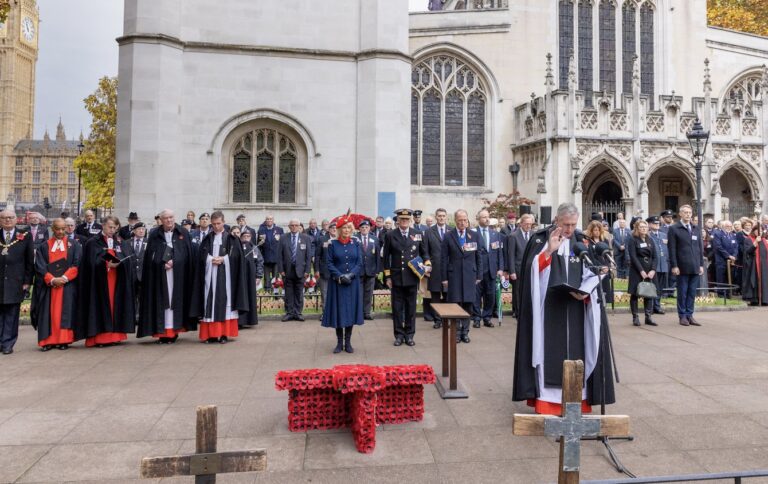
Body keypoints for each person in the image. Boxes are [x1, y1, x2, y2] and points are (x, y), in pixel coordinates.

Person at [513, 202, 614, 415]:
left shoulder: (582, 242)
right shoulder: (540, 239)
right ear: (557, 220)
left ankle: (579, 402)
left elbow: (592, 272)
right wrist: (549, 251)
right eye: (566, 224)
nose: (569, 229)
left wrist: (588, 289)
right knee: (549, 356)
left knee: (579, 353)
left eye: (573, 224)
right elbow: (532, 273)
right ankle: (547, 404)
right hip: (548, 309)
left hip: (577, 309)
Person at [138, 209, 196, 343]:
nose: (169, 220)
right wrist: (161, 264)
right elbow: (150, 256)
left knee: (175, 301)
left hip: (178, 276)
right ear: (161, 220)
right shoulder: (155, 234)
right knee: (162, 301)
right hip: (160, 276)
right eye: (166, 218)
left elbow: (187, 254)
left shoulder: (183, 232)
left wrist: (175, 262)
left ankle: (174, 331)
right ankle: (162, 331)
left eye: (171, 217)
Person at [77, 215, 135, 347]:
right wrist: (104, 264)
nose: (112, 230)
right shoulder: (93, 242)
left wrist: (121, 263)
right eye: (110, 227)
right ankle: (101, 337)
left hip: (116, 279)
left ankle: (116, 335)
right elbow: (89, 262)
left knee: (115, 305)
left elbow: (128, 258)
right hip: (99, 281)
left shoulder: (120, 241)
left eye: (115, 227)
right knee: (101, 306)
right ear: (103, 226)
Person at [192, 211, 248, 344]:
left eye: (219, 223)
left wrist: (224, 259)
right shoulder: (207, 239)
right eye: (214, 224)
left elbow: (237, 257)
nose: (216, 226)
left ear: (223, 222)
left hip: (227, 278)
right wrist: (210, 259)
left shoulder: (232, 239)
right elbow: (201, 255)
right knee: (209, 303)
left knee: (226, 304)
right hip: (210, 277)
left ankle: (224, 334)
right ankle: (211, 335)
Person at [30, 218, 80, 352]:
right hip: (48, 287)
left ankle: (63, 340)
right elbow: (40, 266)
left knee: (65, 314)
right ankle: (47, 341)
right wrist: (52, 279)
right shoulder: (44, 246)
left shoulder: (74, 245)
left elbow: (77, 264)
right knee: (47, 313)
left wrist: (64, 278)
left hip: (66, 286)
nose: (61, 231)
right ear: (52, 229)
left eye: (63, 229)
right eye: (58, 229)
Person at [382, 209, 430, 346]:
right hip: (396, 277)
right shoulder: (391, 235)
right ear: (397, 221)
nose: (404, 222)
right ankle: (398, 335)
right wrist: (387, 276)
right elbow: (386, 258)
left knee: (411, 308)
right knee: (397, 308)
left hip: (412, 276)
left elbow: (424, 253)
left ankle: (409, 335)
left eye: (406, 220)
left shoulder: (418, 234)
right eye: (401, 220)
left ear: (410, 220)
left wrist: (427, 264)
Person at [322, 218, 364, 353]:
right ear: (339, 230)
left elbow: (359, 262)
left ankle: (348, 342)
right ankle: (339, 343)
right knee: (338, 312)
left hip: (352, 282)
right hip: (338, 283)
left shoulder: (356, 243)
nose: (346, 230)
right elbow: (329, 263)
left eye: (349, 228)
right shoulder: (332, 244)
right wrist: (340, 276)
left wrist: (351, 275)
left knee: (351, 311)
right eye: (344, 228)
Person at [440, 209, 482, 343]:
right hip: (454, 275)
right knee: (456, 303)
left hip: (470, 274)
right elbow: (443, 258)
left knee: (469, 303)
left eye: (465, 220)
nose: (462, 223)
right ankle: (456, 332)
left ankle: (465, 331)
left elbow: (479, 256)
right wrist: (444, 277)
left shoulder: (474, 235)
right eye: (460, 220)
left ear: (467, 220)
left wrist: (479, 274)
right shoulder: (448, 236)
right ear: (455, 221)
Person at [0, 210, 34, 355]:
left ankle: (7, 343)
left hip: (16, 281)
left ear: (16, 219)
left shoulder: (25, 236)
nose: (7, 220)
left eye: (10, 217)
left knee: (12, 314)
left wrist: (27, 281)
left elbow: (29, 261)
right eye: (4, 218)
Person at [667, 205, 705, 326]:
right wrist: (674, 265)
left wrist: (701, 264)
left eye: (690, 212)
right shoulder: (674, 229)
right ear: (680, 214)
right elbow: (671, 248)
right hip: (682, 266)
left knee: (692, 292)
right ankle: (682, 315)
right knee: (682, 292)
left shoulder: (696, 228)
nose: (688, 214)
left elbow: (700, 248)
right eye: (685, 212)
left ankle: (690, 315)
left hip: (694, 266)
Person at [474, 209, 503, 329]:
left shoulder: (495, 234)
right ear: (478, 219)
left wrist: (501, 268)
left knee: (490, 295)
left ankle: (487, 317)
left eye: (488, 217)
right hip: (477, 271)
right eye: (484, 217)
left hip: (492, 270)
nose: (487, 219)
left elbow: (499, 253)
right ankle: (476, 318)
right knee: (476, 296)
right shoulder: (473, 233)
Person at [277, 219, 312, 321]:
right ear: (289, 226)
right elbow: (279, 255)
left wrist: (307, 270)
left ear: (299, 226)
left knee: (299, 292)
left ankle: (298, 313)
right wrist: (281, 269)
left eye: (296, 225)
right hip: (287, 270)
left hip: (300, 270)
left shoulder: (305, 238)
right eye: (292, 225)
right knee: (288, 293)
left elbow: (308, 256)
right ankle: (289, 312)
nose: (294, 227)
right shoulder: (283, 238)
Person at [627, 220, 657, 326]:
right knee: (635, 293)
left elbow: (655, 256)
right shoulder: (632, 239)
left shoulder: (650, 240)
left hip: (650, 270)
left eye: (645, 227)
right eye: (641, 227)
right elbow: (633, 257)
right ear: (637, 228)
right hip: (637, 270)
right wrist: (641, 271)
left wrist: (653, 270)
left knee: (649, 293)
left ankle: (648, 316)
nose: (644, 228)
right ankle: (635, 317)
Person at [424, 208, 448, 328]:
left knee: (448, 295)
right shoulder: (429, 232)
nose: (441, 218)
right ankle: (437, 320)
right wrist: (427, 264)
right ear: (436, 217)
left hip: (449, 269)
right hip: (434, 268)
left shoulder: (451, 230)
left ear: (446, 217)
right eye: (439, 216)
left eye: (443, 216)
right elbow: (425, 251)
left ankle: (447, 319)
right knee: (435, 296)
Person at [506, 213, 534, 319]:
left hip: (530, 268)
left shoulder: (533, 234)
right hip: (518, 268)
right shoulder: (513, 236)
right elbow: (511, 255)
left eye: (530, 224)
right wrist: (511, 271)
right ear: (521, 223)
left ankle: (527, 310)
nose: (528, 226)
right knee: (517, 292)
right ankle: (518, 312)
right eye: (526, 224)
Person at [121, 222, 147, 321]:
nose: (141, 231)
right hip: (131, 275)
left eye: (143, 229)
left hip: (143, 275)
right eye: (139, 229)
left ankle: (140, 315)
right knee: (131, 296)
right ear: (134, 231)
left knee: (142, 297)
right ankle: (131, 316)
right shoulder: (127, 242)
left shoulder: (148, 242)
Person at [584, 220, 613, 305]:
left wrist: (607, 266)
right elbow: (590, 257)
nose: (597, 232)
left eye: (599, 230)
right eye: (595, 230)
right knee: (597, 292)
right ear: (591, 231)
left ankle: (604, 307)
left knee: (605, 291)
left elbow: (608, 255)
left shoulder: (605, 241)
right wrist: (600, 267)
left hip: (605, 269)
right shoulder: (588, 242)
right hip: (595, 269)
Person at [238, 230, 263, 328]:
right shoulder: (238, 247)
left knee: (250, 298)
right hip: (239, 279)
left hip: (250, 278)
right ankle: (239, 321)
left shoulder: (254, 248)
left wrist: (258, 276)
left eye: (248, 236)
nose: (246, 237)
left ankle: (250, 320)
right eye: (244, 236)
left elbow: (260, 262)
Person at [357, 219, 379, 320]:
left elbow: (377, 256)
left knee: (369, 292)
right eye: (362, 227)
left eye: (366, 227)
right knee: (359, 292)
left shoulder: (374, 239)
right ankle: (359, 312)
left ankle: (367, 312)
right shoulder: (355, 239)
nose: (364, 229)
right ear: (359, 229)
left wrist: (377, 270)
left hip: (371, 270)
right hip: (358, 271)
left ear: (369, 228)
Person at [742, 223, 768, 305]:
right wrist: (755, 242)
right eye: (757, 230)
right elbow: (747, 251)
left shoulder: (764, 240)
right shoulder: (749, 239)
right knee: (755, 281)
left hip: (764, 264)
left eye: (760, 230)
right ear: (754, 231)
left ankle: (765, 299)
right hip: (753, 265)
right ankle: (755, 299)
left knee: (764, 281)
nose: (759, 232)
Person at [647, 216, 668, 314]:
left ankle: (657, 306)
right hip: (653, 265)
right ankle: (650, 306)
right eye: (655, 224)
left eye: (658, 224)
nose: (657, 225)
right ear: (650, 225)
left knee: (660, 287)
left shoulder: (664, 235)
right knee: (652, 287)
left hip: (663, 264)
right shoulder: (648, 235)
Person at [712, 220, 738, 296]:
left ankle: (728, 293)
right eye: (727, 226)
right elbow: (718, 247)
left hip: (731, 260)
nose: (729, 228)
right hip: (721, 260)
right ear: (723, 226)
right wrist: (728, 256)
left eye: (730, 226)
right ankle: (721, 294)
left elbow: (736, 246)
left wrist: (734, 256)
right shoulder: (718, 234)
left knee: (729, 277)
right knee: (721, 278)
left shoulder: (732, 235)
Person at [257, 215, 284, 290]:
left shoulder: (279, 230)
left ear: (273, 220)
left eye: (270, 219)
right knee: (266, 277)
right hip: (266, 257)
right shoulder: (261, 230)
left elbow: (282, 244)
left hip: (276, 257)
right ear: (265, 221)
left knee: (275, 276)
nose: (269, 220)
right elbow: (258, 245)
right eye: (267, 219)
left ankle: (275, 291)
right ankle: (267, 291)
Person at [314, 222, 336, 311]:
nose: (334, 229)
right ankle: (325, 313)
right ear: (329, 229)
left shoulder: (341, 239)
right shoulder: (322, 239)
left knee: (336, 294)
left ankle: (335, 313)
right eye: (332, 228)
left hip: (337, 271)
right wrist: (316, 270)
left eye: (336, 228)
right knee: (325, 293)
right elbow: (317, 256)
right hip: (325, 271)